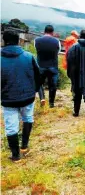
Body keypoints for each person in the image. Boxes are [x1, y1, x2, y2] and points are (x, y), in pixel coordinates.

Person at [1, 30, 41, 162]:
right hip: (28, 97)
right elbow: (38, 76)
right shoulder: (29, 56)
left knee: (11, 126)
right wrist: (34, 91)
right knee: (28, 118)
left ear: (4, 41)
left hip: (8, 99)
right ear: (19, 41)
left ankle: (15, 155)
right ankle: (24, 146)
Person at [34, 25, 61, 108]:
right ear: (52, 32)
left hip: (41, 66)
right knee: (53, 85)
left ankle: (42, 98)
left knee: (39, 83)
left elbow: (36, 50)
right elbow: (58, 52)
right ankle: (51, 103)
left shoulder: (37, 40)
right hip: (53, 66)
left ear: (44, 31)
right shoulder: (57, 41)